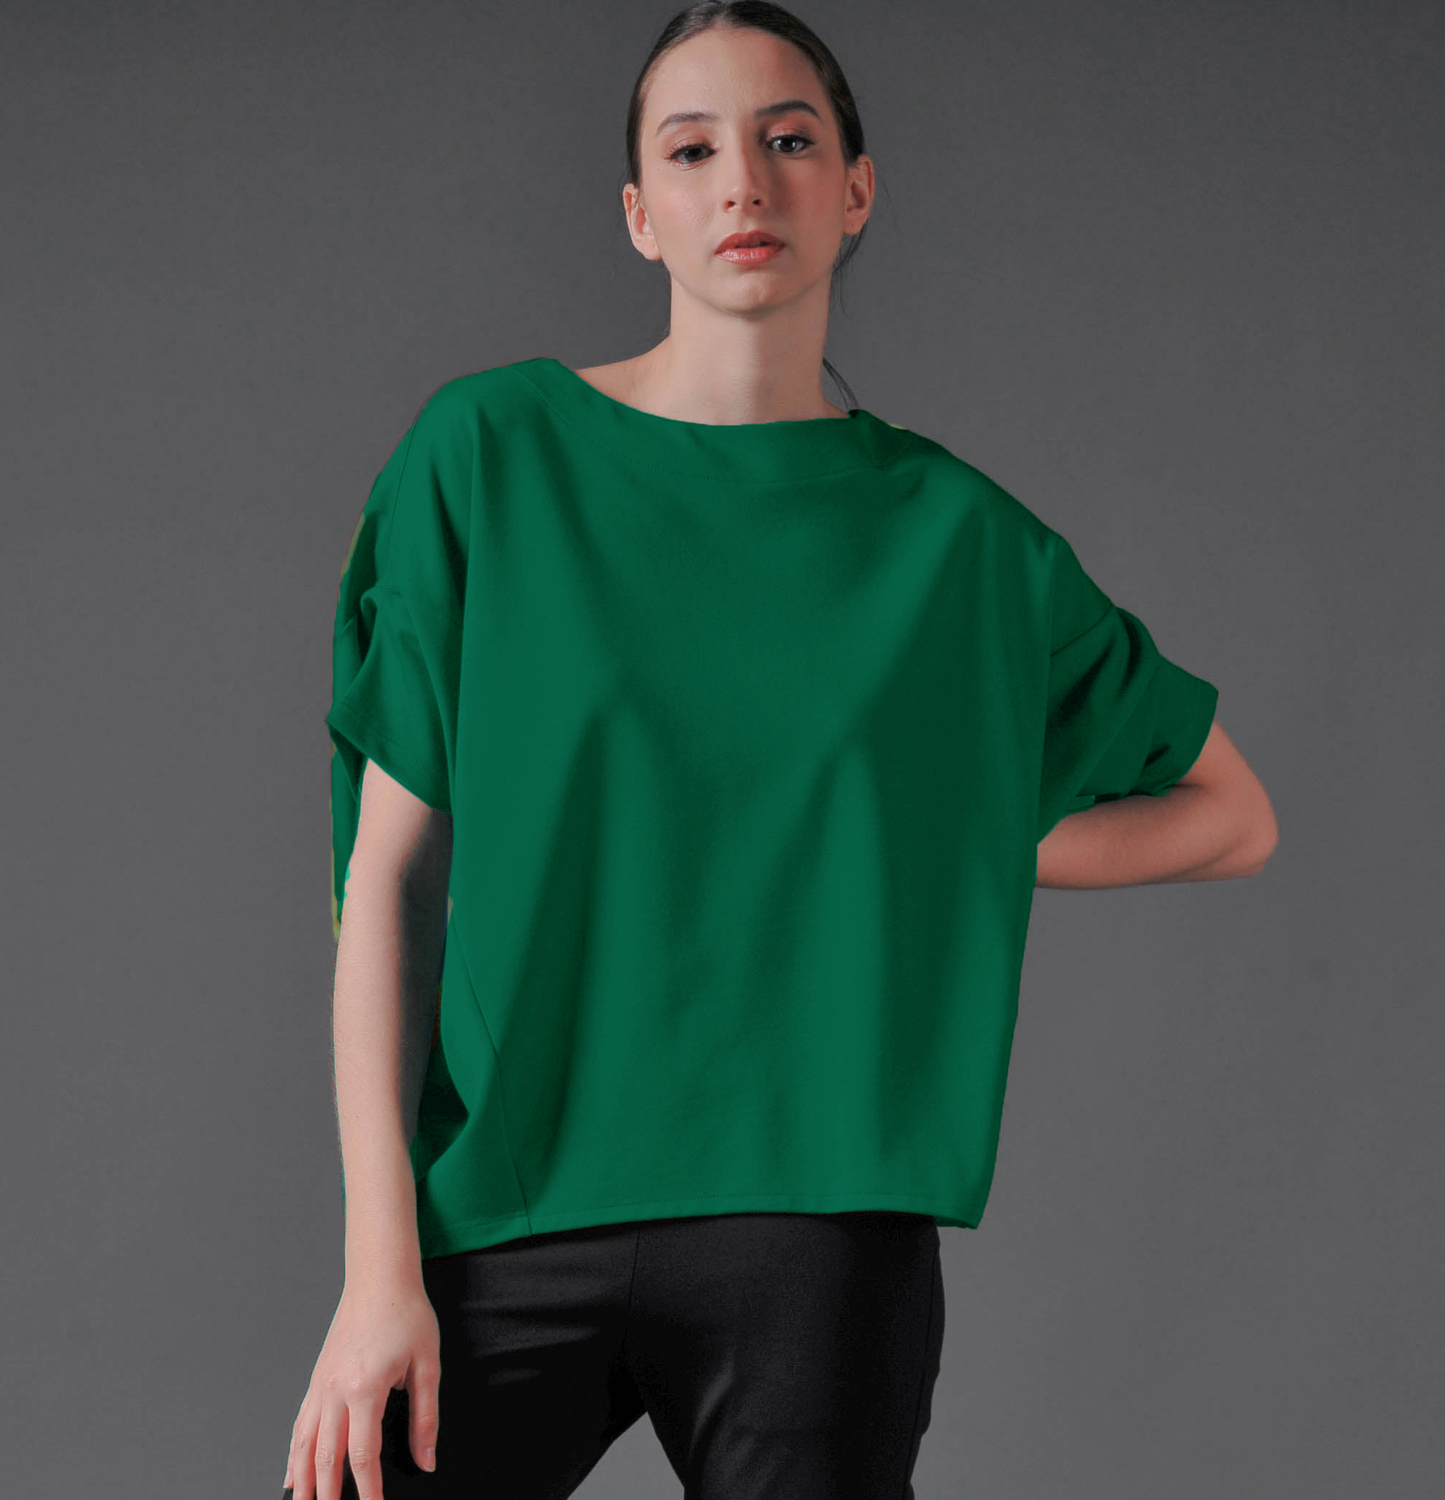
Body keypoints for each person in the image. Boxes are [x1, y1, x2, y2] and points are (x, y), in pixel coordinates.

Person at [282, 5, 1279, 1498]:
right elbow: (392, 882)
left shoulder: (959, 545)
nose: (744, 181)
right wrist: (379, 1272)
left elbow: (1233, 815)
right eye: (692, 150)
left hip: (816, 1232)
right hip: (506, 1206)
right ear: (640, 214)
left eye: (789, 140)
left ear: (855, 190)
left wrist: (928, 835)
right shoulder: (487, 457)